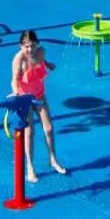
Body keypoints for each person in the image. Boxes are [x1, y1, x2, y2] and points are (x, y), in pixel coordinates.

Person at [10, 30, 67, 180]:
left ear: (37, 44)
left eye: (33, 46)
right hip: (24, 99)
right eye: (26, 46)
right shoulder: (18, 60)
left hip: (40, 95)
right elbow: (14, 80)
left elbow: (42, 61)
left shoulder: (41, 52)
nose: (30, 50)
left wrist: (48, 64)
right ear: (20, 46)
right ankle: (30, 166)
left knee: (49, 128)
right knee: (29, 133)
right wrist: (16, 92)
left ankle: (53, 159)